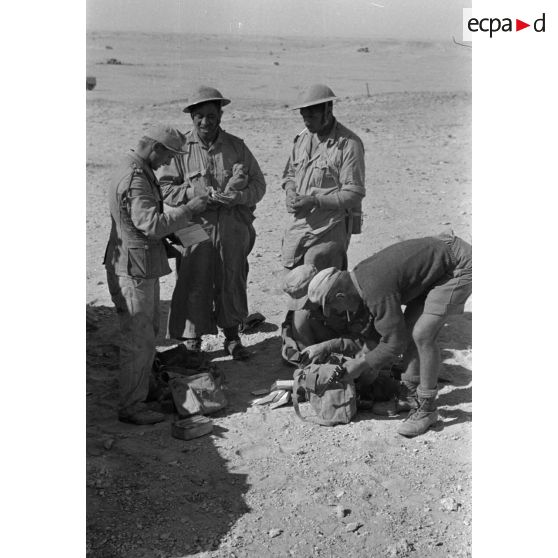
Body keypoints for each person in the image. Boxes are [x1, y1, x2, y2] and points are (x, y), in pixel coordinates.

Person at [306, 231, 472, 437]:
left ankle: (427, 408)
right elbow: (382, 334)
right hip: (438, 267)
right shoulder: (360, 280)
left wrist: (362, 364)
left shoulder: (375, 291)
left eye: (334, 307)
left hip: (457, 265)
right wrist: (336, 348)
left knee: (422, 334)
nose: (338, 312)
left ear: (340, 295)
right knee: (411, 328)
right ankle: (411, 394)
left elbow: (395, 344)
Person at [104, 126, 208, 425]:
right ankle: (132, 406)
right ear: (155, 148)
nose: (167, 163)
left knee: (147, 334)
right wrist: (189, 209)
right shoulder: (136, 178)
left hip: (138, 264)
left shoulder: (134, 167)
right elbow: (150, 224)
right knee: (138, 339)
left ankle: (143, 391)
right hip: (133, 269)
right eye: (168, 156)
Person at [159, 86, 266, 360]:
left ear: (220, 114)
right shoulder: (180, 149)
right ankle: (193, 339)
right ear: (191, 118)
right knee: (194, 278)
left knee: (232, 277)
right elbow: (167, 189)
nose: (206, 122)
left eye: (211, 115)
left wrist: (238, 196)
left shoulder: (236, 146)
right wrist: (193, 194)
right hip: (194, 227)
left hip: (232, 225)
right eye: (199, 117)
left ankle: (232, 337)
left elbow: (259, 185)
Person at [281, 83, 365, 273]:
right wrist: (290, 191)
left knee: (321, 281)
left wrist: (315, 201)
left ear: (328, 111)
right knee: (293, 280)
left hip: (331, 225)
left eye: (312, 115)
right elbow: (289, 174)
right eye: (304, 116)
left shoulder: (348, 145)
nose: (307, 121)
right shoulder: (302, 139)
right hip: (301, 224)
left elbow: (354, 193)